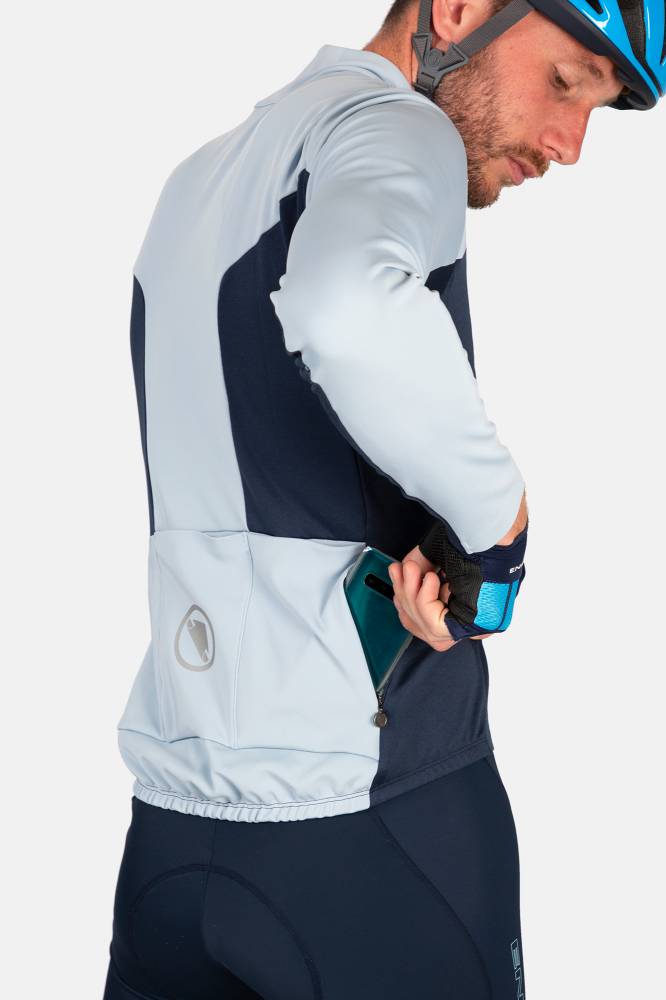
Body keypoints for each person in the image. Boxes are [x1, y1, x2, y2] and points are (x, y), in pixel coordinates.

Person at [102, 1, 664, 997]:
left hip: (173, 838)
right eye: (565, 82)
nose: (571, 144)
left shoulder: (202, 176)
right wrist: (497, 530)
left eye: (598, 107)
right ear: (458, 10)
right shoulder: (398, 126)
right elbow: (349, 306)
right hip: (370, 834)